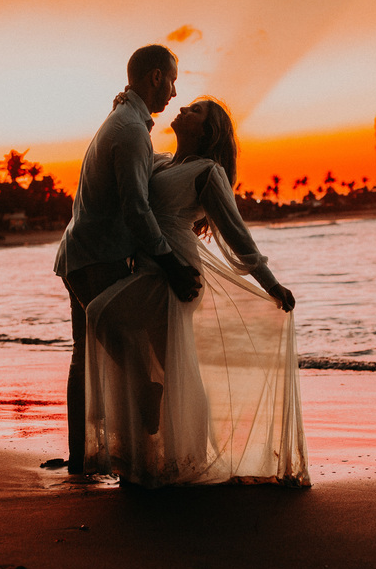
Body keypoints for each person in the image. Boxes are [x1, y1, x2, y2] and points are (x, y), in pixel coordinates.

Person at [83, 97, 309, 488]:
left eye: (196, 111)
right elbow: (127, 162)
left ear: (208, 131)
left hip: (177, 276)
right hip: (152, 269)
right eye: (186, 106)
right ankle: (170, 451)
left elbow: (237, 234)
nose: (184, 110)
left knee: (102, 313)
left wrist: (270, 282)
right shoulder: (162, 162)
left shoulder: (208, 171)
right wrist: (119, 109)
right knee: (175, 367)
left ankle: (189, 453)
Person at [50, 45, 202, 475]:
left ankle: (82, 458)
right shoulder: (130, 129)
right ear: (156, 77)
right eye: (172, 80)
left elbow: (148, 173)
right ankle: (138, 447)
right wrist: (172, 264)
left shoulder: (124, 122)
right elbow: (137, 209)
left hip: (78, 253)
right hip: (96, 258)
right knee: (132, 355)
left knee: (85, 355)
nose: (174, 91)